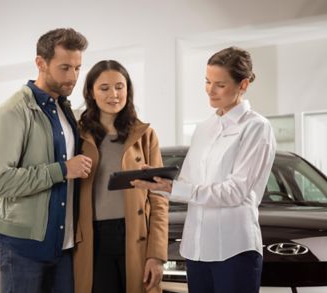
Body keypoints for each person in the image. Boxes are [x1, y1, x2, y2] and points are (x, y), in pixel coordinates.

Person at [132, 47, 276, 293]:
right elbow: (187, 182)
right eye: (207, 81)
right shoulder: (204, 128)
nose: (210, 90)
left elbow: (235, 192)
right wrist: (157, 180)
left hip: (234, 249)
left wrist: (175, 187)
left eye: (219, 84)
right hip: (196, 249)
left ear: (243, 85)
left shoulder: (256, 128)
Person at [0, 28, 92, 293]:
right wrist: (62, 170)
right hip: (22, 246)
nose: (73, 77)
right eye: (65, 67)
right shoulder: (12, 111)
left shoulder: (65, 110)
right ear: (40, 63)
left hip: (62, 246)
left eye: (78, 68)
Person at [73, 60, 169, 293]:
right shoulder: (77, 134)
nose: (113, 94)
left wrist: (156, 255)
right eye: (104, 88)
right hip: (92, 239)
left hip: (135, 236)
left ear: (128, 90)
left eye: (119, 86)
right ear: (91, 93)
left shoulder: (145, 135)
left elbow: (159, 198)